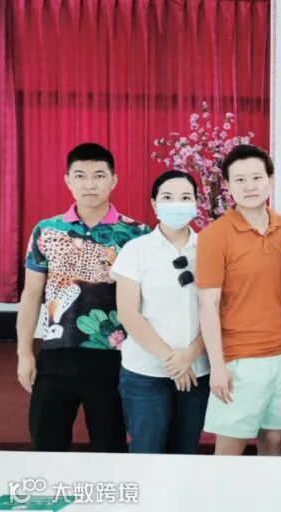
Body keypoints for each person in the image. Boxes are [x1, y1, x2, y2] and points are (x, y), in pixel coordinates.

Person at [16, 142, 149, 452]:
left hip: (115, 357)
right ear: (68, 180)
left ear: (114, 180)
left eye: (99, 175)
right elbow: (31, 294)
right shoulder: (46, 230)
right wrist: (24, 353)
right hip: (55, 354)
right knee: (47, 446)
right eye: (80, 176)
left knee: (109, 448)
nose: (90, 184)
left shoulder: (137, 233)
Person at [197, 145, 281, 456]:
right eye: (240, 180)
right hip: (240, 360)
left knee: (274, 441)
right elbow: (208, 305)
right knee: (229, 449)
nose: (250, 186)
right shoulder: (214, 236)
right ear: (228, 185)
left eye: (257, 177)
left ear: (270, 180)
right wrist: (217, 366)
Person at [111, 170, 209, 454]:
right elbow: (128, 314)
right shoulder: (136, 250)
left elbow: (219, 311)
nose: (177, 204)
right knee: (147, 453)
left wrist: (189, 356)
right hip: (145, 372)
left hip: (197, 370)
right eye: (167, 197)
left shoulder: (210, 248)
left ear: (196, 203)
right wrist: (171, 360)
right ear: (154, 204)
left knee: (185, 454)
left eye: (185, 197)